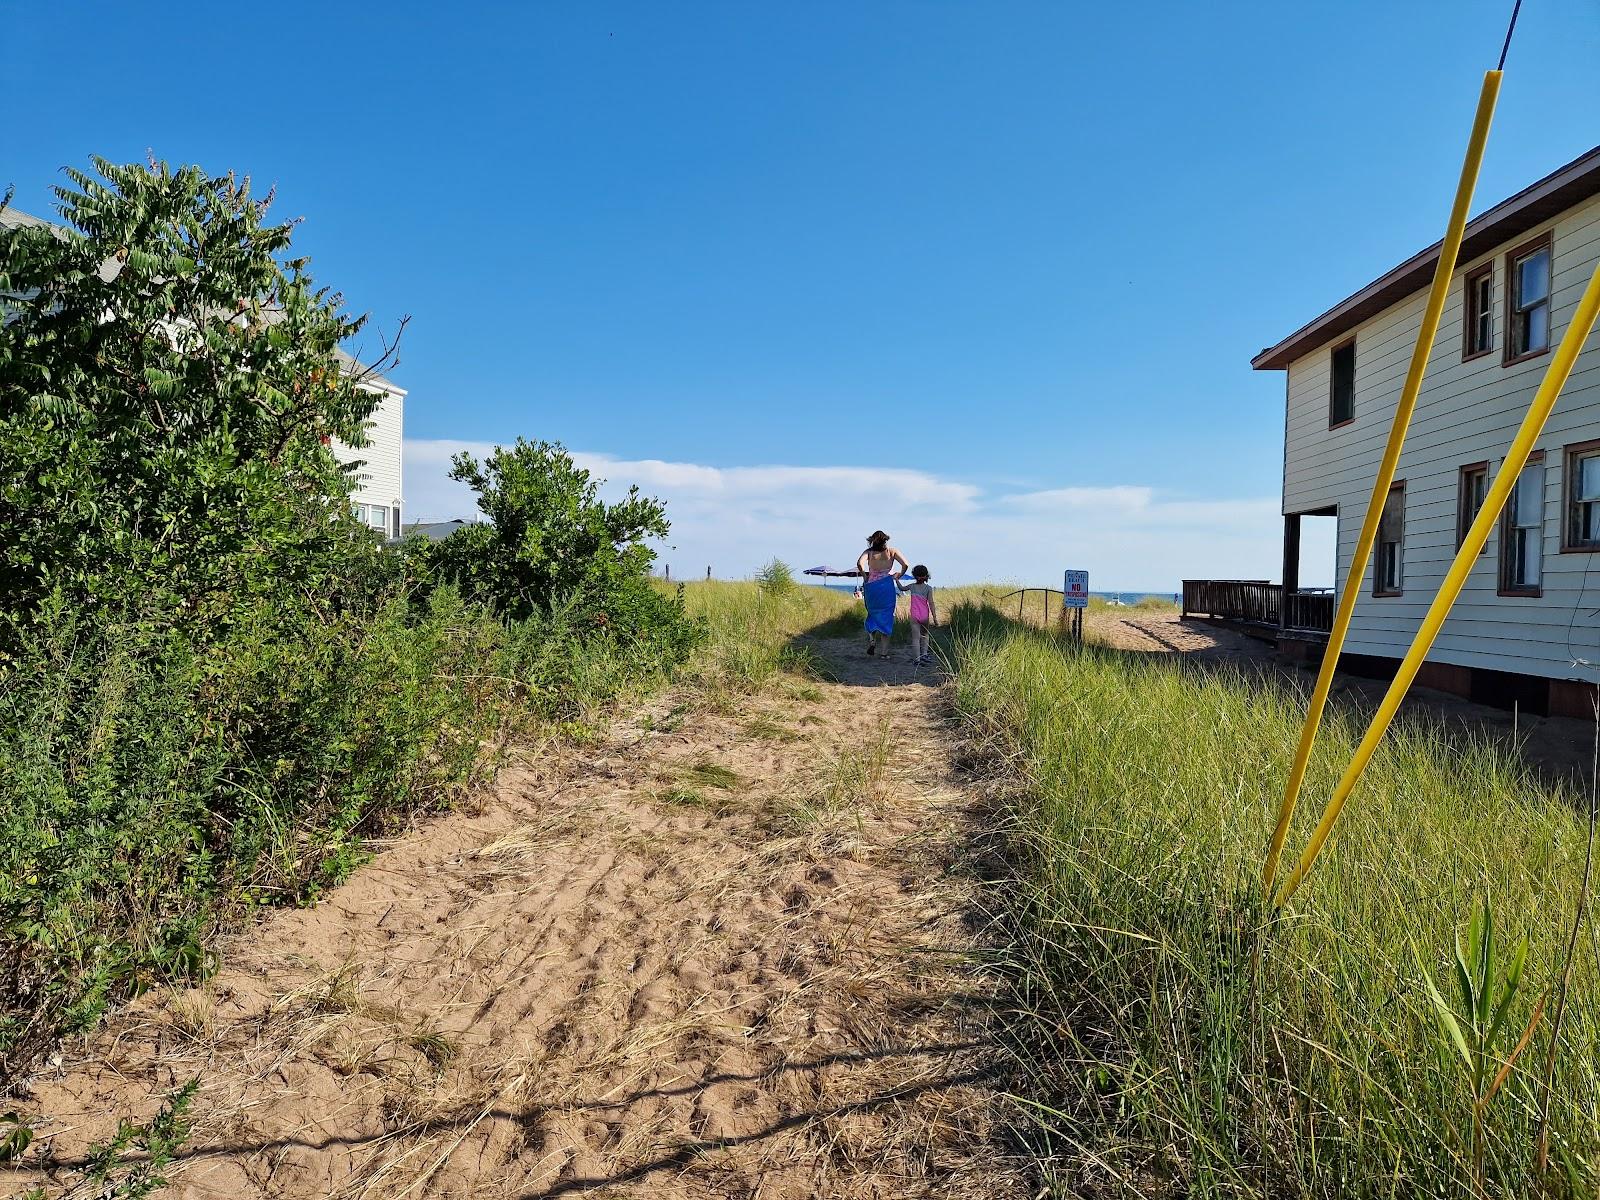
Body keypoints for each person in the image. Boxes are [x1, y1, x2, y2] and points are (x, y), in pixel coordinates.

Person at [855, 530, 908, 657]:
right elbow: (906, 564)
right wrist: (899, 575)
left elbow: (859, 564)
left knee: (872, 614)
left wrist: (864, 577)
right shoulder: (892, 551)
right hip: (886, 587)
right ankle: (884, 654)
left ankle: (872, 641)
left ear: (872, 540)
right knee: (887, 617)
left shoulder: (869, 552)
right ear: (885, 540)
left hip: (872, 587)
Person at [898, 564, 937, 664]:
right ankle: (924, 655)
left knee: (915, 638)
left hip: (914, 615)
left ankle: (917, 659)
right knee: (925, 635)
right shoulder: (928, 588)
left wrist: (896, 579)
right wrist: (935, 618)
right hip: (925, 615)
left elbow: (901, 588)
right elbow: (931, 603)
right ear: (926, 576)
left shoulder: (912, 586)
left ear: (914, 576)